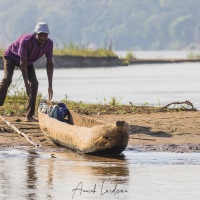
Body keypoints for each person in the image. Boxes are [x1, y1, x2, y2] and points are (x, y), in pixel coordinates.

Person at [0, 22, 54, 122]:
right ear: (35, 34)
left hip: (28, 61)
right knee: (7, 79)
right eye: (40, 35)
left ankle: (29, 115)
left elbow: (49, 64)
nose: (42, 38)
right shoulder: (26, 40)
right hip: (12, 57)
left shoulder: (49, 44)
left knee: (34, 83)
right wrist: (26, 86)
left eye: (45, 35)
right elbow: (22, 63)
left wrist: (50, 86)